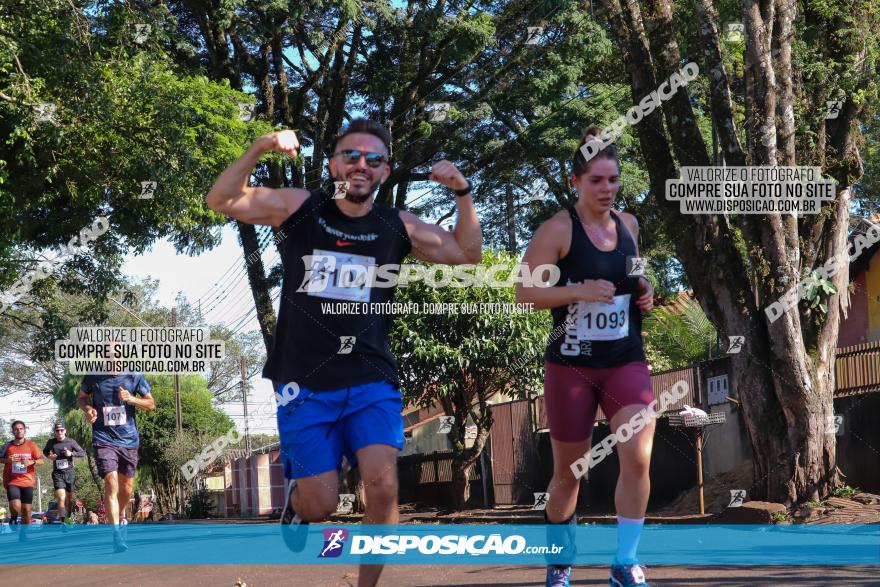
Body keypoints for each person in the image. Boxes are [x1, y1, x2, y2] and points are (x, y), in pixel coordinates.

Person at [206, 118, 482, 587]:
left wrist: (462, 193)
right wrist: (260, 147)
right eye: (351, 156)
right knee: (322, 504)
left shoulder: (397, 226)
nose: (361, 165)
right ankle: (297, 503)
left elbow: (466, 253)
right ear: (333, 164)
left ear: (385, 172)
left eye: (373, 159)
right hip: (305, 382)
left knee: (385, 486)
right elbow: (222, 200)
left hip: (371, 377)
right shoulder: (302, 207)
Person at [516, 127, 655, 587]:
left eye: (612, 180)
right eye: (596, 180)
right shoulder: (557, 230)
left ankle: (625, 563)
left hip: (625, 360)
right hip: (572, 366)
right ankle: (559, 562)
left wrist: (646, 291)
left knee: (637, 456)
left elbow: (635, 272)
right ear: (575, 181)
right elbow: (523, 294)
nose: (606, 189)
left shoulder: (630, 226)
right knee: (568, 475)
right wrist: (577, 290)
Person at [78, 363, 155, 552]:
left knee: (127, 489)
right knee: (111, 483)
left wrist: (131, 399)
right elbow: (81, 398)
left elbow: (151, 404)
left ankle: (120, 514)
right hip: (103, 439)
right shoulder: (93, 375)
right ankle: (116, 535)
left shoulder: (134, 375)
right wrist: (88, 409)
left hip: (128, 440)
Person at [0, 420, 45, 541]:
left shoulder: (31, 445)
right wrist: (8, 460)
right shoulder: (7, 446)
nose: (19, 431)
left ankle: (23, 533)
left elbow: (41, 461)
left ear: (24, 430)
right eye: (16, 429)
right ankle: (14, 515)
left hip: (28, 481)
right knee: (16, 506)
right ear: (12, 431)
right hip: (12, 481)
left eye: (21, 429)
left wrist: (32, 461)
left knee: (26, 511)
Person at [43, 420, 86, 527]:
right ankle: (63, 522)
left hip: (70, 473)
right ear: (55, 432)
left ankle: (69, 516)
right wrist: (49, 456)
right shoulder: (51, 442)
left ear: (65, 430)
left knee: (69, 499)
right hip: (57, 474)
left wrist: (71, 453)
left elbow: (82, 453)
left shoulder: (71, 442)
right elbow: (45, 451)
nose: (59, 432)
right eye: (57, 430)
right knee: (61, 498)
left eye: (61, 430)